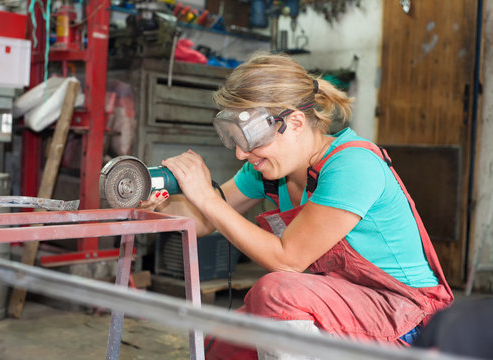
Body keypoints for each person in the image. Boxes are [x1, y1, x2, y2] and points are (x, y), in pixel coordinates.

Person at [138, 52, 454, 359]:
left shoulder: (352, 164)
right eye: (235, 139)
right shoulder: (269, 168)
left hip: (407, 317)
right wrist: (159, 205)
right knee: (226, 341)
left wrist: (206, 196)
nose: (241, 154)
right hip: (347, 300)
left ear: (297, 122)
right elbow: (206, 220)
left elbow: (287, 260)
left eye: (252, 140)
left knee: (275, 294)